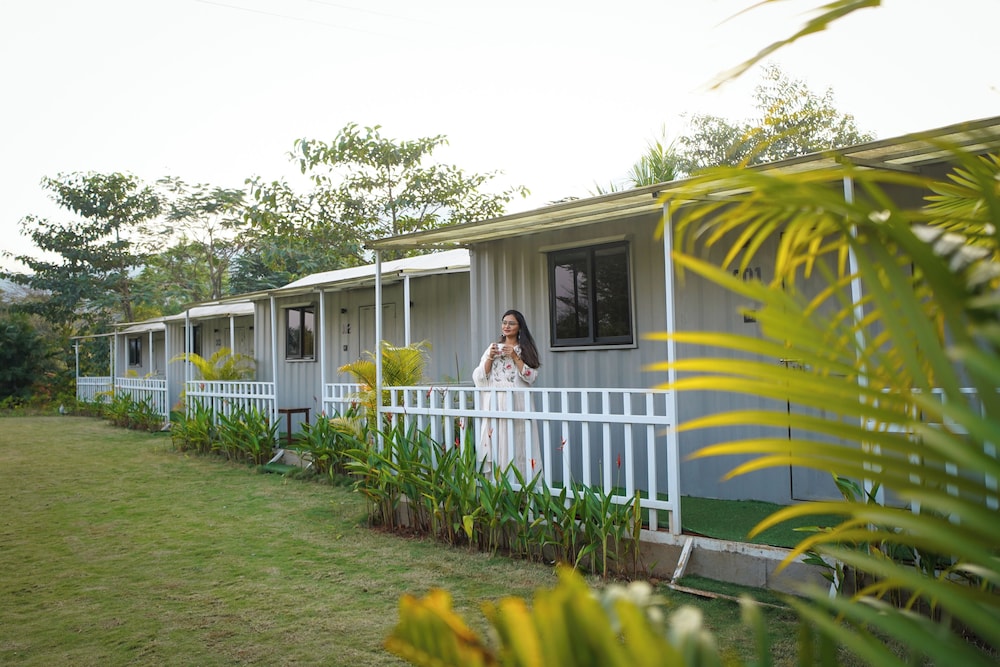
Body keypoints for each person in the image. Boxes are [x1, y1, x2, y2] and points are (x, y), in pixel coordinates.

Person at [472, 309, 542, 482]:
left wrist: (515, 357)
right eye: (504, 322)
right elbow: (479, 378)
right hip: (495, 401)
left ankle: (521, 487)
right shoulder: (492, 347)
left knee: (518, 442)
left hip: (517, 401)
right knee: (495, 440)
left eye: (511, 323)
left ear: (519, 327)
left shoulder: (524, 348)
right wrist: (490, 357)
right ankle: (496, 487)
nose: (507, 326)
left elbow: (531, 377)